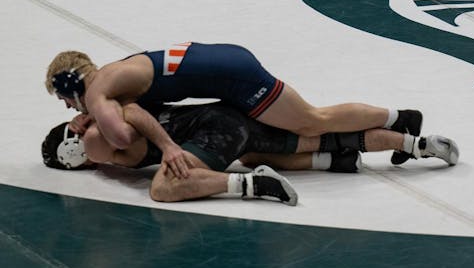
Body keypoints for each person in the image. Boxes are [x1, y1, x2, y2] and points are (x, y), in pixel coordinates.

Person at [45, 43, 432, 178]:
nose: (66, 107)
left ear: (69, 86)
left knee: (313, 120)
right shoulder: (110, 76)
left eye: (62, 99)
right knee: (307, 120)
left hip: (231, 76)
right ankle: (397, 121)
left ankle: (400, 119)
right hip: (221, 61)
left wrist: (94, 119)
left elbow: (123, 136)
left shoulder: (97, 95)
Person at [41, 102, 459, 206]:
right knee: (319, 131)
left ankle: (253, 184)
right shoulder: (106, 108)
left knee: (163, 188)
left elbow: (131, 117)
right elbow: (130, 110)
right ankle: (413, 142)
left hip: (215, 129)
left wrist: (167, 147)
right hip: (226, 116)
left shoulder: (98, 139)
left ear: (71, 149)